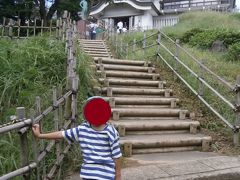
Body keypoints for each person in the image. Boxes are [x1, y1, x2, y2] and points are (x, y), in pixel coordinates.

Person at [32, 96, 122, 180]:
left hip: (89, 174)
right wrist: (118, 176)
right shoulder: (110, 131)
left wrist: (40, 135)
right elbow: (116, 157)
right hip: (105, 175)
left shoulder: (82, 129)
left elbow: (61, 134)